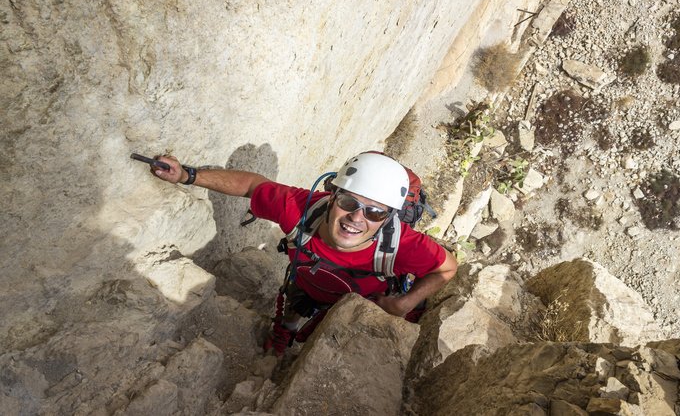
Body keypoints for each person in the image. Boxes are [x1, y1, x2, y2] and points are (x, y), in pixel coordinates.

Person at [151, 152, 457, 355]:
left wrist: (404, 303)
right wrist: (187, 176)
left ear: (389, 217)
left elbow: (447, 268)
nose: (356, 218)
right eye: (349, 203)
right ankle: (284, 334)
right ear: (332, 195)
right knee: (296, 303)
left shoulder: (402, 244)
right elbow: (253, 186)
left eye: (375, 213)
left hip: (361, 304)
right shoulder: (302, 209)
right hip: (310, 282)